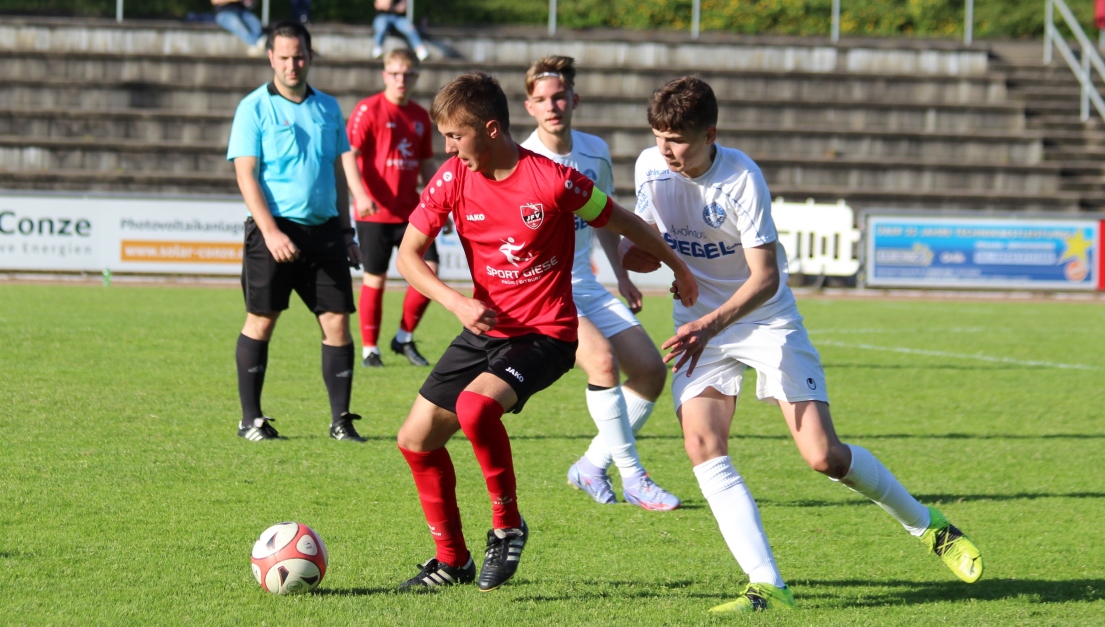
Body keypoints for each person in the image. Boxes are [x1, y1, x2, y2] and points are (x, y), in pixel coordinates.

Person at [620, 76, 984, 613]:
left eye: (678, 139)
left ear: (710, 133)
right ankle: (767, 586)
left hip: (762, 319)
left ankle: (929, 526)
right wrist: (637, 262)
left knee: (823, 456)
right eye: (658, 136)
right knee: (702, 445)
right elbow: (650, 237)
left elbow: (765, 277)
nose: (665, 150)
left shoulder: (742, 178)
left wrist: (708, 321)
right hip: (699, 324)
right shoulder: (650, 167)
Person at [392, 71, 698, 592]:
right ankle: (451, 561)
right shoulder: (451, 178)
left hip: (546, 333)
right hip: (484, 326)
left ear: (490, 129)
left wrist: (678, 266)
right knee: (415, 442)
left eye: (455, 136)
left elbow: (621, 219)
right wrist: (455, 301)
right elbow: (408, 254)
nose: (447, 147)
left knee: (475, 407)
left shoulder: (553, 180)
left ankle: (507, 527)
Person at [519, 56, 679, 511]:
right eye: (542, 100)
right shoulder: (523, 159)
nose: (553, 106)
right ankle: (634, 477)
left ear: (575, 99)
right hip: (545, 289)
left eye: (560, 96)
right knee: (603, 364)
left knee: (649, 370)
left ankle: (591, 466)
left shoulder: (595, 151)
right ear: (529, 106)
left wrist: (621, 275)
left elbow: (604, 216)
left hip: (586, 284)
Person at [227, 21, 369, 444]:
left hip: (325, 231)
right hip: (274, 230)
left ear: (310, 56)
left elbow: (338, 174)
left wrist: (347, 233)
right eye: (284, 56)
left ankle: (341, 421)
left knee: (337, 323)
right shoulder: (253, 107)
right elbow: (246, 175)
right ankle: (251, 420)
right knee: (262, 320)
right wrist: (270, 232)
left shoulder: (327, 107)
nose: (293, 64)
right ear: (271, 58)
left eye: (300, 56)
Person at [346, 48, 440, 368]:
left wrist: (439, 203)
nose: (402, 80)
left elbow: (427, 163)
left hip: (411, 212)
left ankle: (403, 338)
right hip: (374, 212)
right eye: (396, 73)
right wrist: (359, 194)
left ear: (416, 76)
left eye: (408, 74)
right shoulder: (368, 109)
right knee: (376, 278)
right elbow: (349, 155)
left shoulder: (418, 116)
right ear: (385, 75)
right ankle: (370, 349)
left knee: (431, 272)